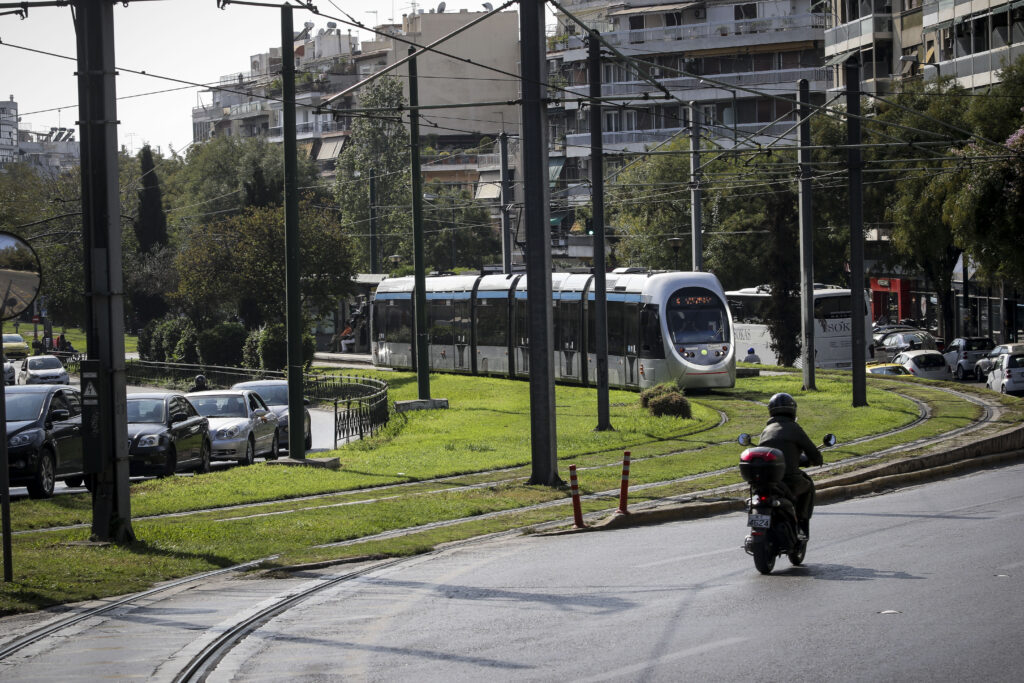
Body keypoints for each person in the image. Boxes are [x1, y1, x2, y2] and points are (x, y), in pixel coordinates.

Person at [757, 393, 822, 540]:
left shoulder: (767, 430)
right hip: (789, 480)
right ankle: (802, 525)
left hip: (765, 480)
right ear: (793, 411)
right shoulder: (794, 428)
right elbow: (814, 453)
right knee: (808, 486)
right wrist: (816, 460)